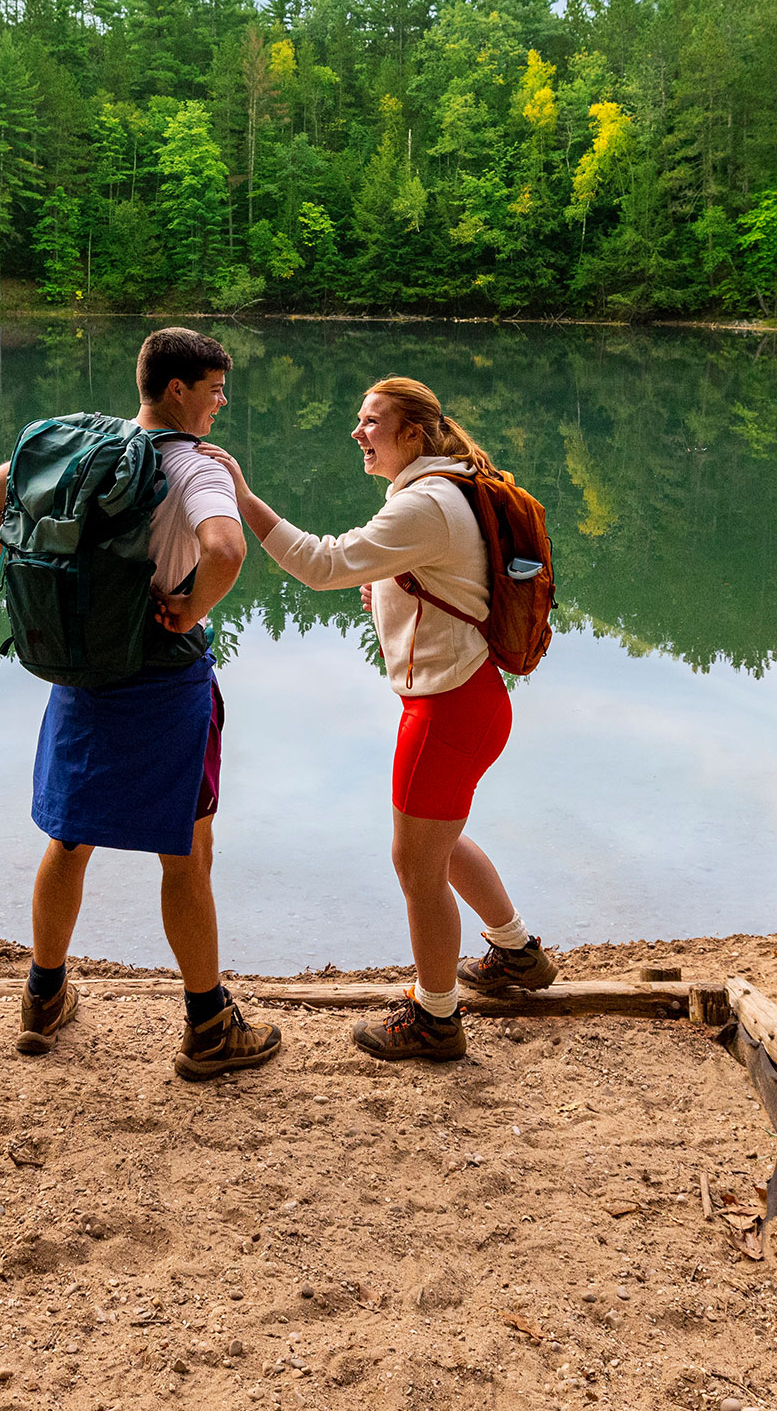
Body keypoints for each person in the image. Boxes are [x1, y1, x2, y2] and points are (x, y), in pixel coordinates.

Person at [0, 326, 283, 1082]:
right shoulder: (192, 468)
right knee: (186, 852)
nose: (220, 401)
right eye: (212, 389)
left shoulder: (84, 450)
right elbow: (228, 550)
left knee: (69, 839)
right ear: (177, 390)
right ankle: (208, 1025)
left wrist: (66, 598)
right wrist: (191, 607)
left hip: (83, 672)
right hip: (162, 683)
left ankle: (43, 997)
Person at [196, 376, 555, 1064]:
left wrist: (243, 501)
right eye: (359, 420)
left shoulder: (425, 503)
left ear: (414, 434)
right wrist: (389, 584)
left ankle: (435, 1018)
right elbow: (451, 576)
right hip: (470, 700)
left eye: (373, 422)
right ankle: (517, 955)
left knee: (415, 862)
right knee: (439, 845)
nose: (359, 433)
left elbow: (320, 562)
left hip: (446, 711)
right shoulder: (448, 487)